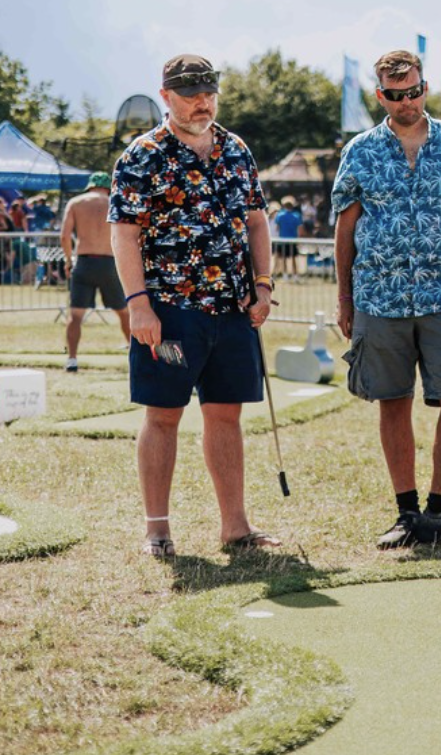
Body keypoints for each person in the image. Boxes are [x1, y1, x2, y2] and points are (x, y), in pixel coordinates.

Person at [333, 49, 441, 550]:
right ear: (379, 96)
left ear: (424, 87)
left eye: (413, 91)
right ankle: (407, 513)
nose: (406, 101)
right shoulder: (361, 149)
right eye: (395, 94)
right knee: (393, 400)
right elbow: (346, 226)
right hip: (379, 296)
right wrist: (344, 295)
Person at [109, 53, 280, 557]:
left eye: (208, 92)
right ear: (166, 97)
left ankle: (235, 527)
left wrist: (264, 284)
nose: (201, 102)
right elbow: (123, 235)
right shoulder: (143, 155)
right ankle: (157, 530)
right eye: (189, 94)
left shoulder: (236, 148)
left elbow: (256, 221)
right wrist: (138, 304)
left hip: (231, 309)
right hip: (169, 310)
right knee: (163, 415)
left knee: (225, 414)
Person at [61, 171, 131, 371]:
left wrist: (68, 260)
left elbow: (65, 236)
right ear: (108, 187)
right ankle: (135, 355)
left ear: (90, 186)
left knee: (75, 315)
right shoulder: (115, 203)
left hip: (84, 261)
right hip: (109, 263)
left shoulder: (76, 203)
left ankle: (72, 359)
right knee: (124, 313)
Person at [272, 195, 303, 280]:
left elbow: (277, 228)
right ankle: (295, 275)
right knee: (294, 258)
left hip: (283, 239)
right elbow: (300, 229)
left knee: (284, 258)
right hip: (293, 239)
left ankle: (285, 274)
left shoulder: (280, 215)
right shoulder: (296, 215)